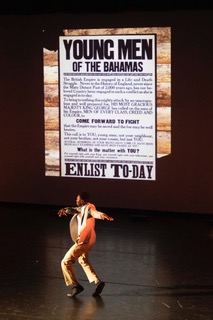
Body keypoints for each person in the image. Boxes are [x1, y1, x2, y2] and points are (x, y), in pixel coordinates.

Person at [57, 191, 114, 298]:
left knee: (65, 262)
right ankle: (97, 282)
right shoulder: (82, 208)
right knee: (83, 260)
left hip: (84, 241)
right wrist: (65, 209)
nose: (76, 201)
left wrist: (102, 215)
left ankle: (76, 286)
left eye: (77, 199)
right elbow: (74, 209)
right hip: (90, 239)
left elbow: (94, 213)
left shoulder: (88, 207)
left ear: (82, 201)